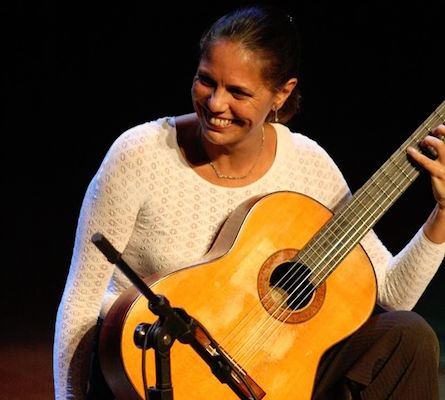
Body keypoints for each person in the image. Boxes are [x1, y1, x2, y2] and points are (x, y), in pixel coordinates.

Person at [53, 4, 445, 399]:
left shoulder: (308, 166)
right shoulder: (138, 156)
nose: (215, 104)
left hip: (271, 373)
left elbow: (392, 295)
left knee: (407, 338)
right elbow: (81, 303)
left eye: (238, 92)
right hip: (152, 370)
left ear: (282, 93)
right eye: (206, 81)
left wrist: (442, 214)